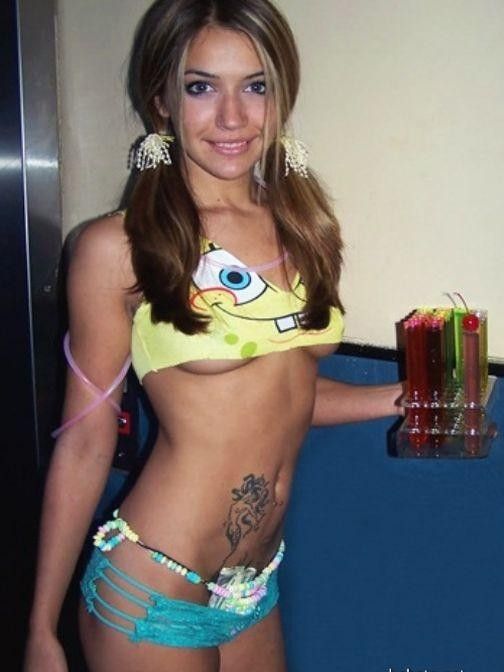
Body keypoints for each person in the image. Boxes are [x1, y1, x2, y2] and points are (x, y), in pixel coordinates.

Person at [24, 1, 402, 670]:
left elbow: (281, 392)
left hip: (252, 586)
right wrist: (40, 628)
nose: (232, 117)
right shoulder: (120, 248)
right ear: (161, 100)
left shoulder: (305, 230)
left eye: (255, 86)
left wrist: (401, 397)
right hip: (151, 589)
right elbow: (84, 441)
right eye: (201, 87)